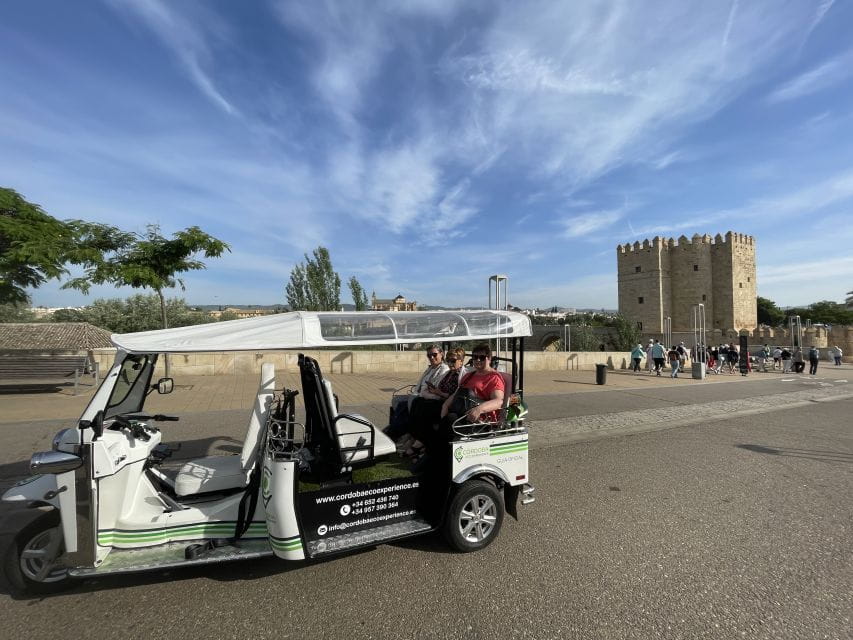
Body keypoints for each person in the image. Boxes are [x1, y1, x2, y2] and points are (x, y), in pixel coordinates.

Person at [436, 343, 505, 445]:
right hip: (461, 412)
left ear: (489, 358)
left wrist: (479, 409)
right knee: (427, 408)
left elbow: (499, 401)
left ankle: (434, 451)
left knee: (449, 420)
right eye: (475, 357)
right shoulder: (468, 375)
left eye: (482, 357)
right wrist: (445, 405)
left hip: (479, 421)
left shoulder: (494, 378)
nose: (478, 360)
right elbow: (457, 393)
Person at [406, 347, 467, 455]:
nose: (450, 363)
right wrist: (434, 391)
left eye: (453, 361)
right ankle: (416, 436)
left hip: (447, 403)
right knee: (417, 402)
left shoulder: (460, 375)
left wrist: (439, 393)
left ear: (461, 361)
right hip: (439, 399)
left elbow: (455, 395)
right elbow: (440, 388)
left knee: (425, 409)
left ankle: (420, 442)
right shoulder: (449, 373)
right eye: (448, 360)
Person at [387, 344, 449, 442]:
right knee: (397, 400)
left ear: (441, 354)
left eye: (434, 354)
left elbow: (434, 387)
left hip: (426, 396)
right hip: (418, 393)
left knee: (403, 405)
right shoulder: (430, 368)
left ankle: (397, 432)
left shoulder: (443, 369)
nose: (431, 357)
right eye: (429, 355)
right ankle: (396, 429)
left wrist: (420, 394)